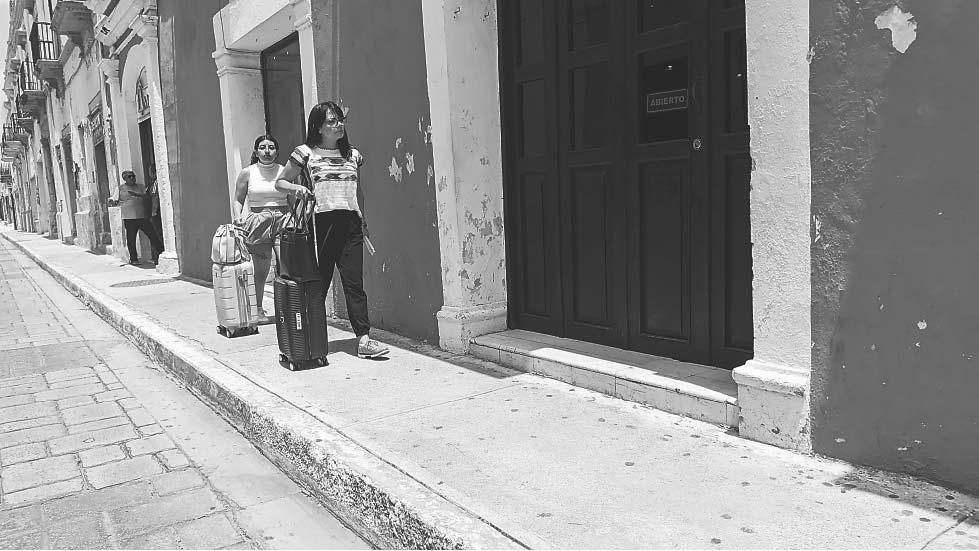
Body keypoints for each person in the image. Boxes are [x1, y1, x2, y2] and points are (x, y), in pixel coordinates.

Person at [275, 101, 389, 359]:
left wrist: (363, 220)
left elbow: (358, 191)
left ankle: (364, 340)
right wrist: (297, 188)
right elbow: (281, 182)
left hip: (350, 223)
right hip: (320, 223)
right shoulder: (304, 153)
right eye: (331, 121)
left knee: (354, 284)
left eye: (340, 120)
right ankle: (309, 340)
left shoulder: (353, 155)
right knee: (318, 284)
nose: (338, 125)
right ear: (318, 126)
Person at [232, 135, 289, 322]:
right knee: (262, 270)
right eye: (263, 147)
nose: (267, 151)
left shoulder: (284, 171)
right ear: (256, 152)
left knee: (286, 267)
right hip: (258, 222)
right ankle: (257, 309)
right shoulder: (247, 173)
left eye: (271, 147)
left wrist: (296, 219)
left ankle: (288, 309)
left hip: (282, 220)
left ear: (277, 151)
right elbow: (238, 199)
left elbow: (293, 198)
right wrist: (237, 216)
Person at [118, 170, 163, 266]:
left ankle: (161, 253)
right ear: (125, 179)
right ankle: (133, 259)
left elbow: (147, 197)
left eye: (133, 176)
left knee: (153, 236)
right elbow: (115, 200)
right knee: (131, 239)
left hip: (142, 217)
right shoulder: (120, 188)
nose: (132, 178)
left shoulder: (141, 187)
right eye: (129, 176)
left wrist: (137, 195)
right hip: (129, 218)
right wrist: (112, 202)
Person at [145, 164, 165, 254]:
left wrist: (153, 212)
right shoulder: (155, 182)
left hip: (157, 212)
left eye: (150, 172)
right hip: (157, 211)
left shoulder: (156, 182)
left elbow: (155, 197)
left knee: (159, 233)